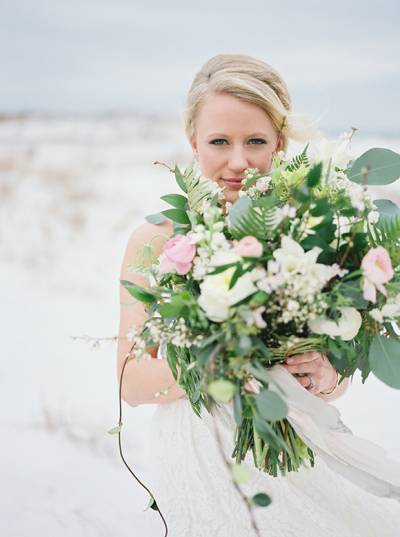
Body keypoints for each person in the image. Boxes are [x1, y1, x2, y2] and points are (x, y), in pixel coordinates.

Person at [117, 54, 400, 536]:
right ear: (193, 142)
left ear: (280, 142)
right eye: (219, 142)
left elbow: (334, 380)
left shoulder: (315, 232)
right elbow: (132, 384)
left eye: (256, 141)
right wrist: (216, 360)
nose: (238, 161)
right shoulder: (157, 241)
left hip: (298, 452)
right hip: (200, 450)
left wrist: (326, 374)